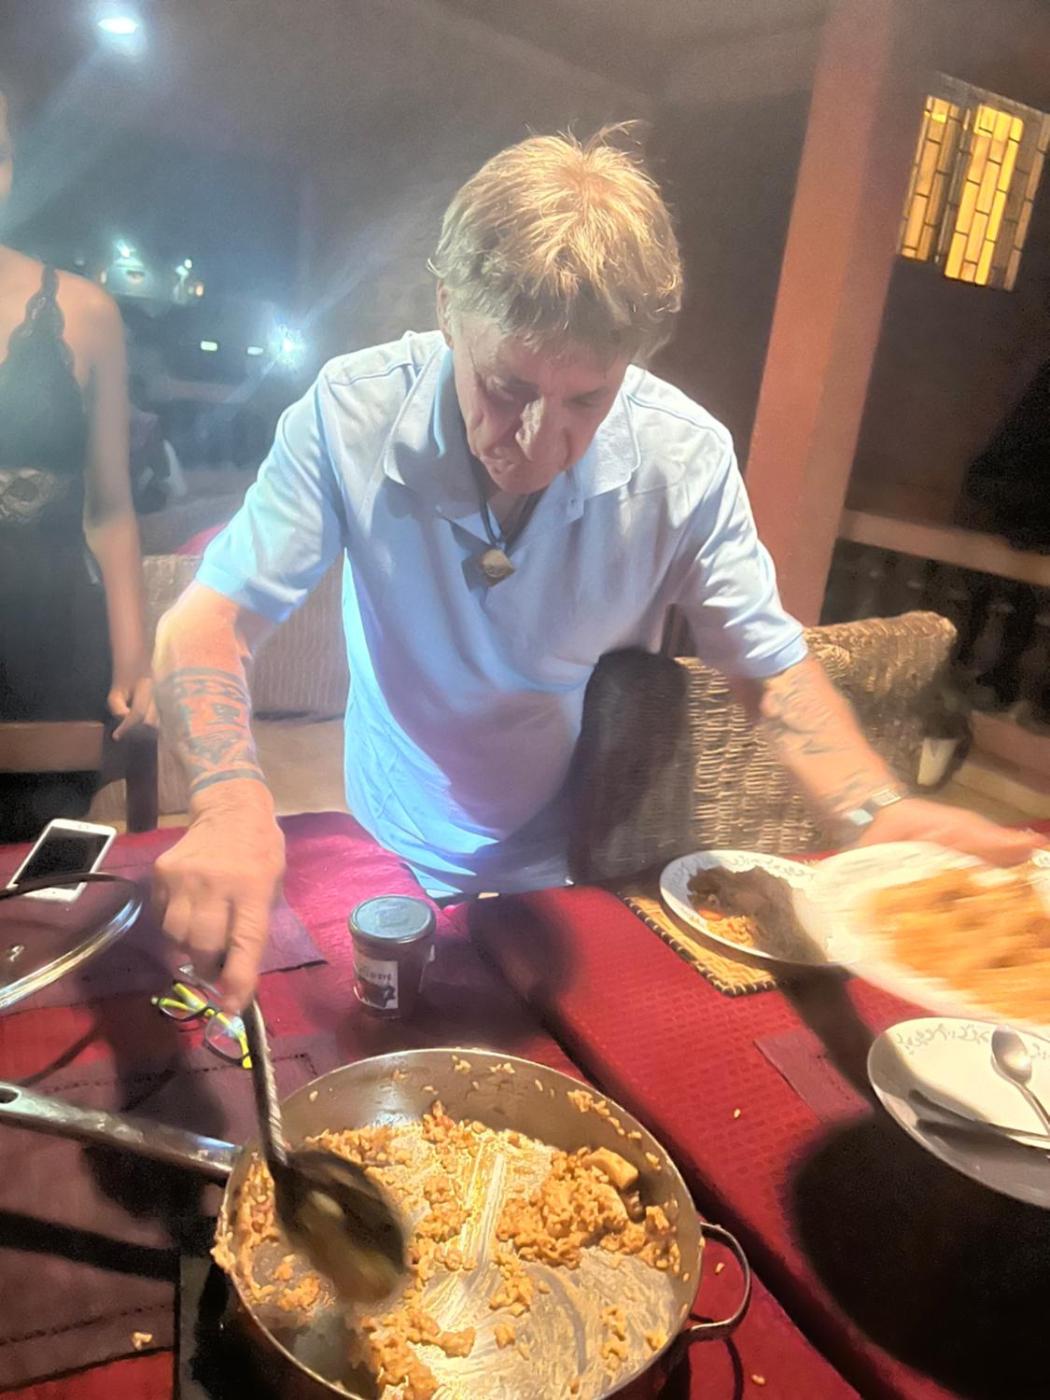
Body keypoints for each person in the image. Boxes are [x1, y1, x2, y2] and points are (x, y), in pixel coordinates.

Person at [153, 130, 1038, 1011]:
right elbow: (209, 620)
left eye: (586, 398)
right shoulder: (351, 413)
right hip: (385, 830)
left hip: (575, 852)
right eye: (507, 388)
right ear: (448, 309)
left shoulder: (682, 461)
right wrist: (229, 802)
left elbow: (766, 669)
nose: (541, 442)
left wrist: (872, 810)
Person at [0, 87, 153, 840]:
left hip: (48, 646)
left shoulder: (85, 314)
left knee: (45, 879)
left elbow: (111, 508)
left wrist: (135, 657)